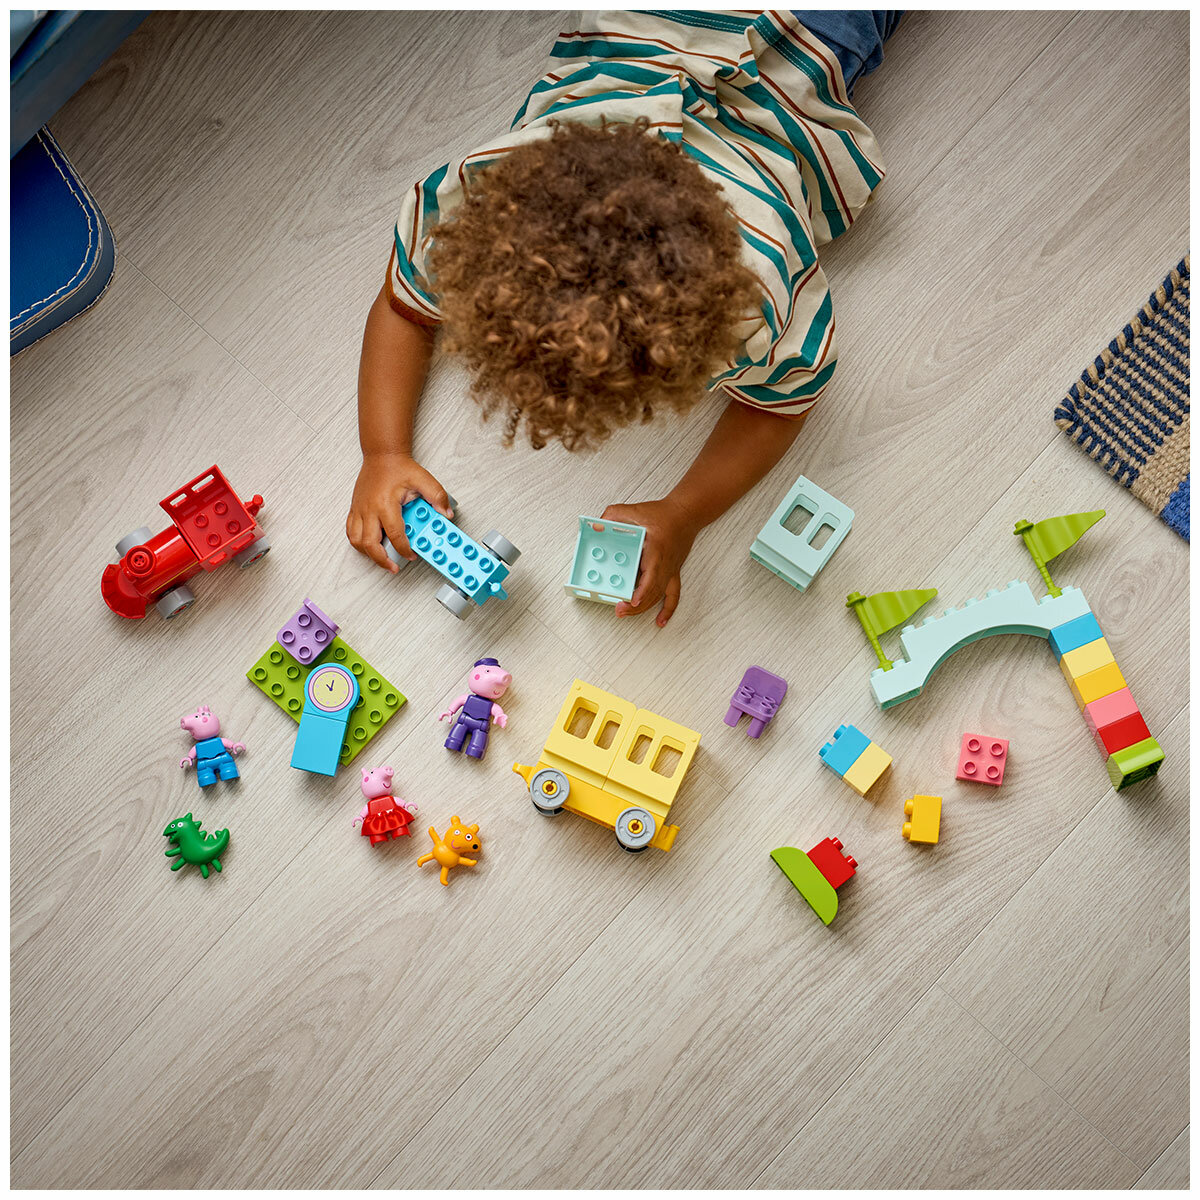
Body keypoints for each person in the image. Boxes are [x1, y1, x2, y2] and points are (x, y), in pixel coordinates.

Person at [347, 10, 901, 625]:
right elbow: (405, 305)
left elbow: (783, 402)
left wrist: (686, 512)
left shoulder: (761, 283)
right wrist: (383, 451)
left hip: (817, 36)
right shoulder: (487, 188)